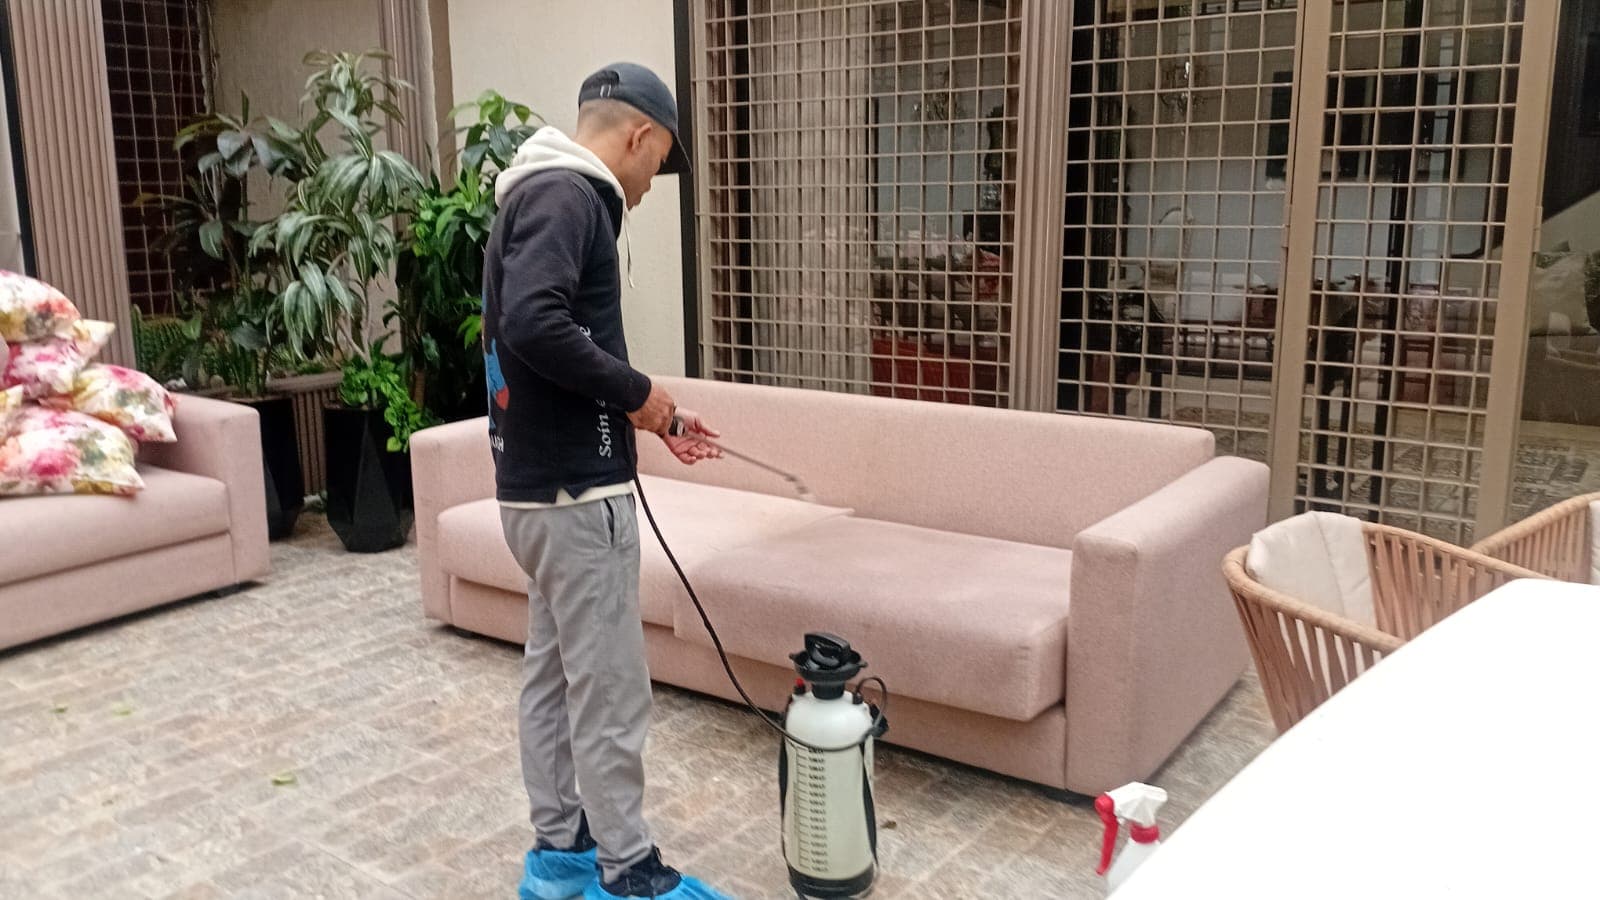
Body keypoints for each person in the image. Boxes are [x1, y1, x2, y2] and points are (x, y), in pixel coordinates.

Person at [482, 62, 729, 900]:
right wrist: (637, 394)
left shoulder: (529, 195)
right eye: (659, 162)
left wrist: (656, 415)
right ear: (638, 135)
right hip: (579, 501)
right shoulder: (574, 197)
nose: (652, 185)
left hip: (535, 490)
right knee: (611, 690)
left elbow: (546, 338)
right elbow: (535, 322)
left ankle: (560, 852)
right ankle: (629, 872)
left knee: (554, 677)